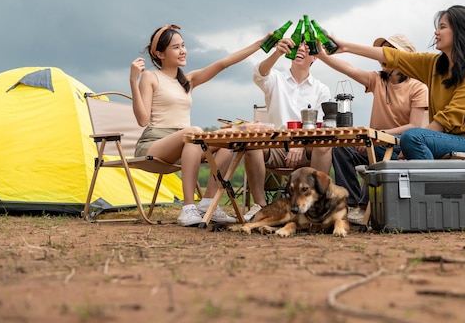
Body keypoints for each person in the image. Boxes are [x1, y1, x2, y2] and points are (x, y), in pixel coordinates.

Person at [130, 24, 267, 227]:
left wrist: (259, 44)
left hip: (188, 144)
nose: (183, 50)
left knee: (230, 139)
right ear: (159, 53)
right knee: (195, 132)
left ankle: (207, 203)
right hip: (156, 143)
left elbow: (223, 63)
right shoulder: (151, 77)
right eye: (176, 47)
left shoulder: (188, 80)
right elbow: (142, 120)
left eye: (183, 45)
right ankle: (187, 209)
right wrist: (134, 80)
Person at [331, 5, 465, 162]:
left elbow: (449, 118)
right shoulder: (435, 65)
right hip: (441, 140)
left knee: (411, 136)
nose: (436, 32)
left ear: (459, 32)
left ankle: (428, 186)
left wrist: (410, 144)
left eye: (442, 27)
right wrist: (345, 47)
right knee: (379, 144)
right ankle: (403, 183)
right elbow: (394, 56)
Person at [316, 33, 428, 223]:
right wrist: (321, 55)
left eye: (389, 51)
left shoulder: (418, 87)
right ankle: (350, 204)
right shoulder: (378, 80)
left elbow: (414, 126)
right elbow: (348, 68)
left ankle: (362, 207)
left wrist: (379, 135)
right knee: (341, 147)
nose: (383, 56)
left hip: (401, 147)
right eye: (381, 51)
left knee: (376, 149)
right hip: (373, 142)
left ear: (404, 56)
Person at [242, 37, 332, 221]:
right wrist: (277, 52)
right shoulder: (276, 78)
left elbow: (320, 127)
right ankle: (260, 206)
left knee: (324, 145)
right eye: (298, 45)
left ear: (315, 57)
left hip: (307, 147)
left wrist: (299, 144)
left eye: (307, 47)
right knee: (251, 143)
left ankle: (315, 205)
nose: (301, 49)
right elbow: (259, 73)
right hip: (276, 145)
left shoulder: (321, 89)